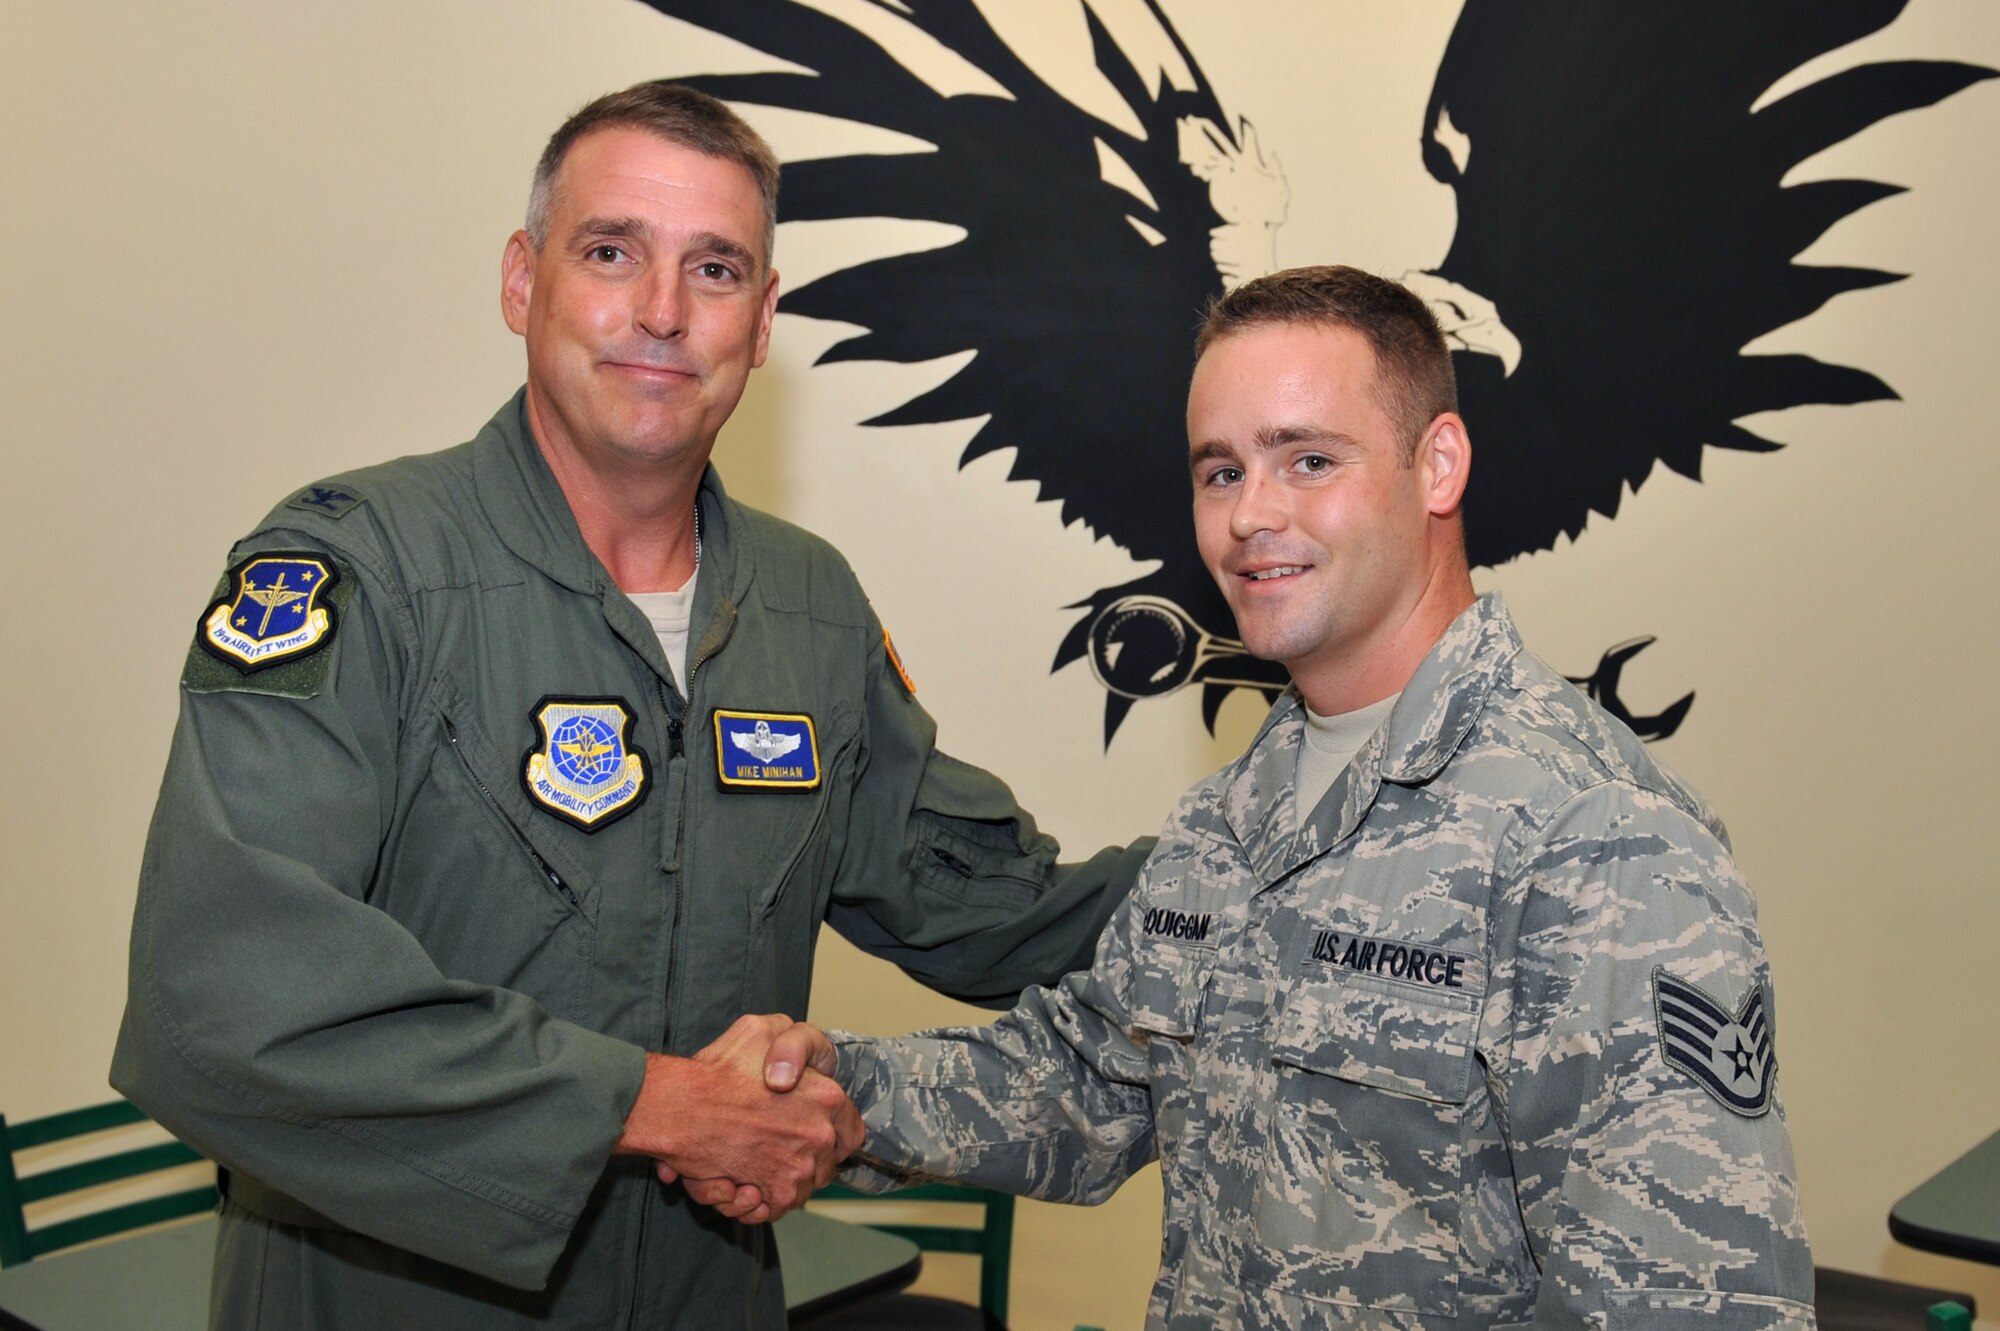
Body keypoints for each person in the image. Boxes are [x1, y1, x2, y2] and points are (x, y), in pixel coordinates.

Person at [109, 82, 1150, 1329]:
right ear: (522, 281)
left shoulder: (806, 607)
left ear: (760, 321)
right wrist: (658, 1105)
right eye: (611, 252)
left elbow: (999, 907)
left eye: (714, 269)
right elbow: (221, 998)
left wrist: (1283, 854)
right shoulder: (360, 569)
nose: (662, 311)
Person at [740, 267, 1817, 1328]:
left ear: (1437, 465)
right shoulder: (1228, 820)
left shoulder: (1594, 833)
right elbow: (1092, 1079)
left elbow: (1687, 1306)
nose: (1251, 514)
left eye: (1308, 460)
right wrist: (835, 1088)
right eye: (1220, 471)